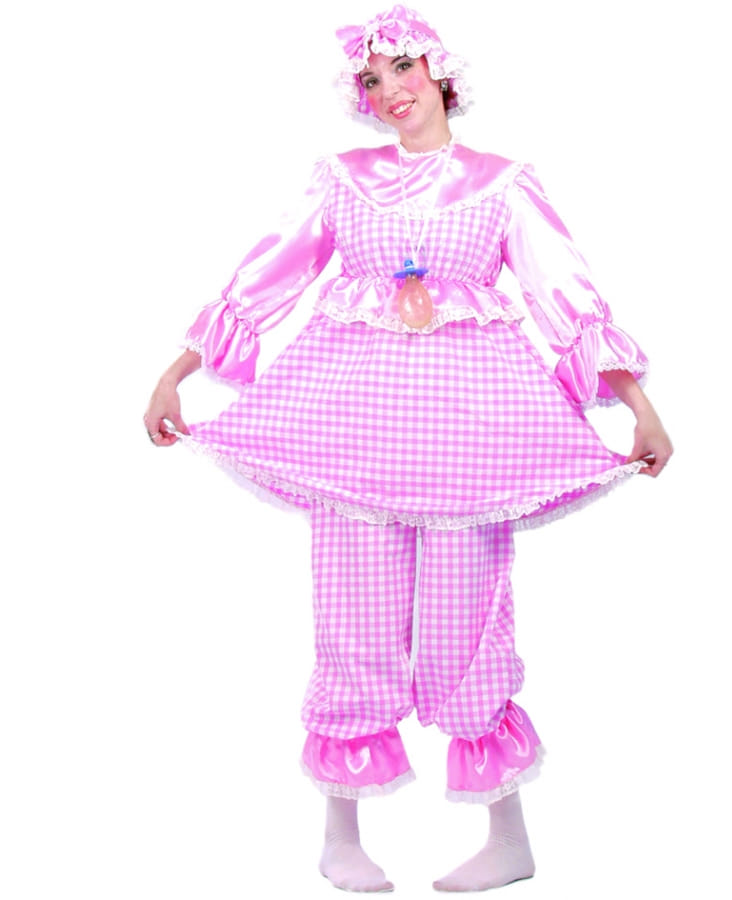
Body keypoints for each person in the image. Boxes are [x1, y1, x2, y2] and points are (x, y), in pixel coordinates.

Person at [144, 5, 672, 892]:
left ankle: (509, 839)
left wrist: (639, 408)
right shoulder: (340, 180)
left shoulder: (505, 184)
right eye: (372, 78)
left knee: (469, 634)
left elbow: (566, 296)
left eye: (402, 69)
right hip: (353, 438)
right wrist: (177, 374)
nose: (389, 90)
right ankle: (339, 835)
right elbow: (265, 277)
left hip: (467, 446)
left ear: (440, 72)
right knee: (351, 626)